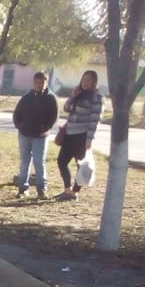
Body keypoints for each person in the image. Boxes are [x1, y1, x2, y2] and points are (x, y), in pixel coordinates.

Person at [55, 70, 102, 202]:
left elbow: (94, 120)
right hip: (69, 133)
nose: (85, 83)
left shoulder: (96, 98)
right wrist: (73, 96)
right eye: (84, 79)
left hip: (82, 135)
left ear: (94, 82)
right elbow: (67, 108)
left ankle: (75, 192)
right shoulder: (79, 94)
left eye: (89, 80)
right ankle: (67, 189)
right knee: (61, 161)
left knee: (81, 166)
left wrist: (89, 139)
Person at [12, 71, 58, 198]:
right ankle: (23, 188)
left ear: (46, 82)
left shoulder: (50, 98)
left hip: (40, 136)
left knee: (39, 161)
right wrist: (19, 125)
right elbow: (17, 113)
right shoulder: (27, 97)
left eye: (42, 82)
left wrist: (44, 128)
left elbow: (54, 117)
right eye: (37, 82)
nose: (39, 84)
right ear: (33, 82)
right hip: (24, 134)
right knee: (25, 161)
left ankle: (41, 189)